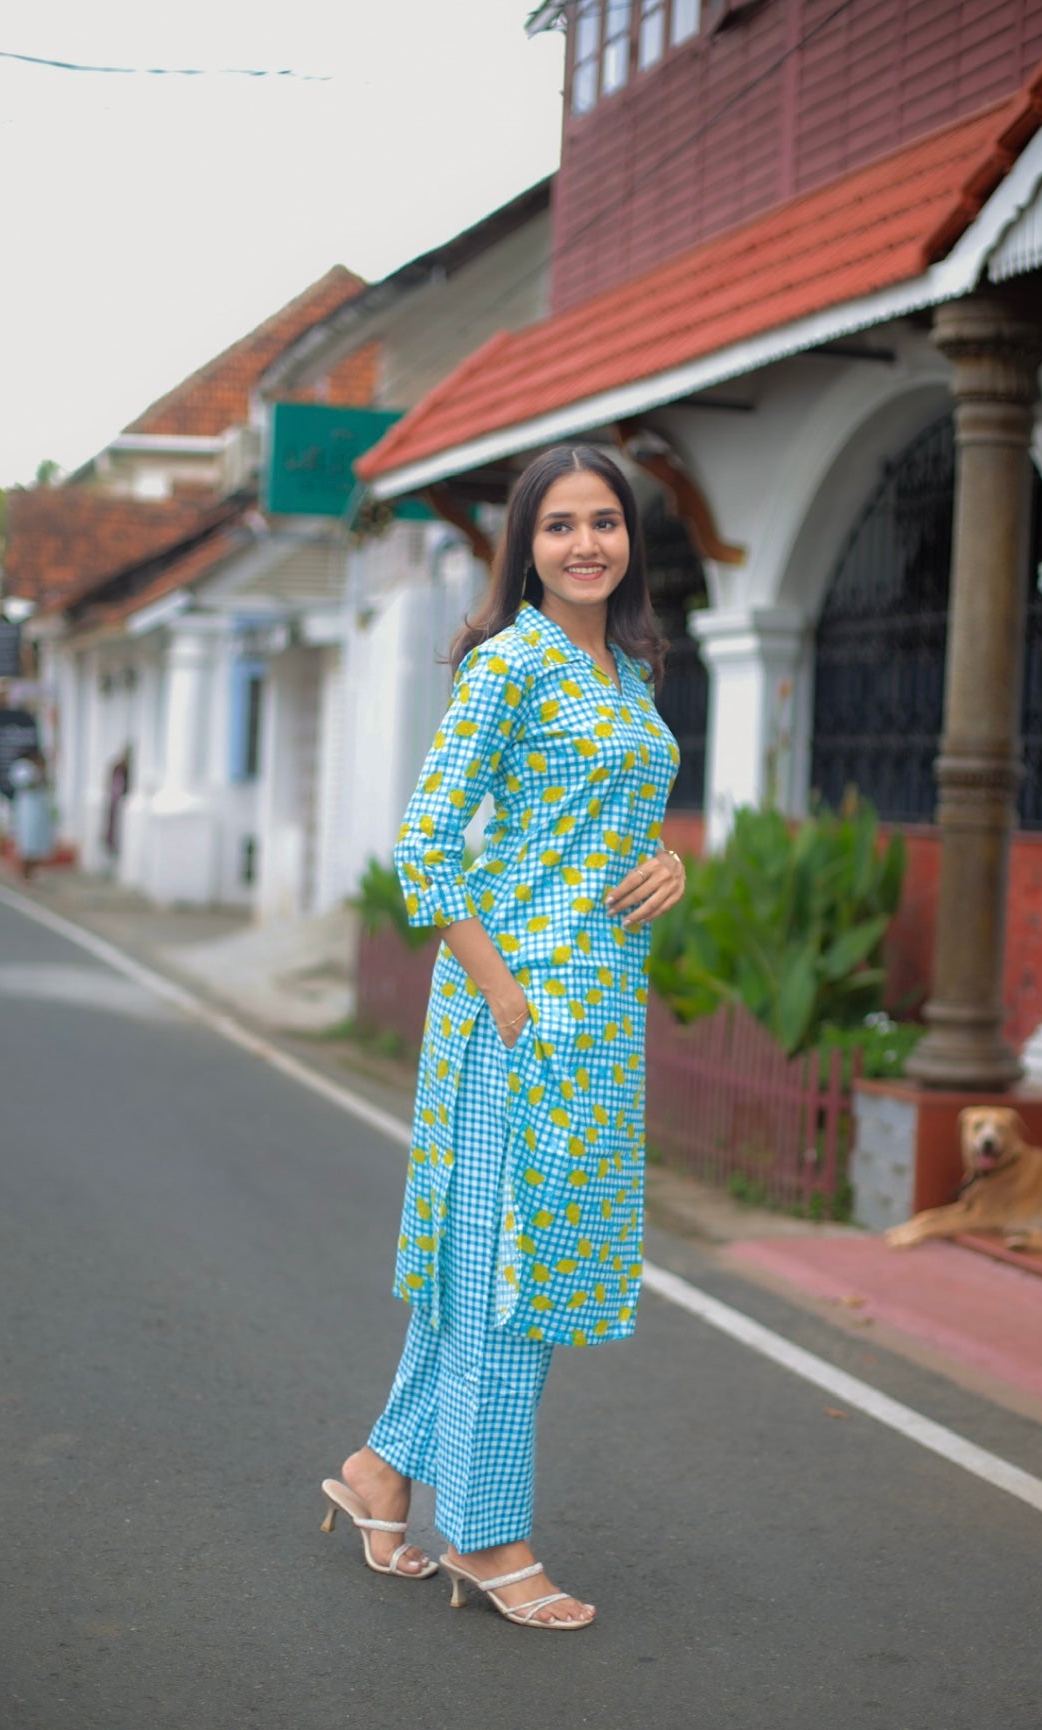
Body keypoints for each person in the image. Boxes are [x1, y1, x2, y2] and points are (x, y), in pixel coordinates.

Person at [321, 445, 686, 1630]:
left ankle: (382, 1471)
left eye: (607, 522)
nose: (587, 542)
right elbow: (426, 844)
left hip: (599, 1017)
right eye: (560, 524)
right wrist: (502, 986)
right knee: (505, 1281)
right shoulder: (513, 665)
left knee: (497, 1267)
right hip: (516, 1013)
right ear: (523, 544)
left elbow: (603, 822)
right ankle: (487, 1532)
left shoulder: (627, 672)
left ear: (630, 539)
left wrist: (669, 861)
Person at [8, 747, 54, 879]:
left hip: (38, 810)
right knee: (26, 841)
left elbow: (46, 785)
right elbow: (27, 783)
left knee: (37, 843)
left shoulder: (38, 769)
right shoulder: (23, 767)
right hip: (27, 810)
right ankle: (24, 873)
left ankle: (31, 873)